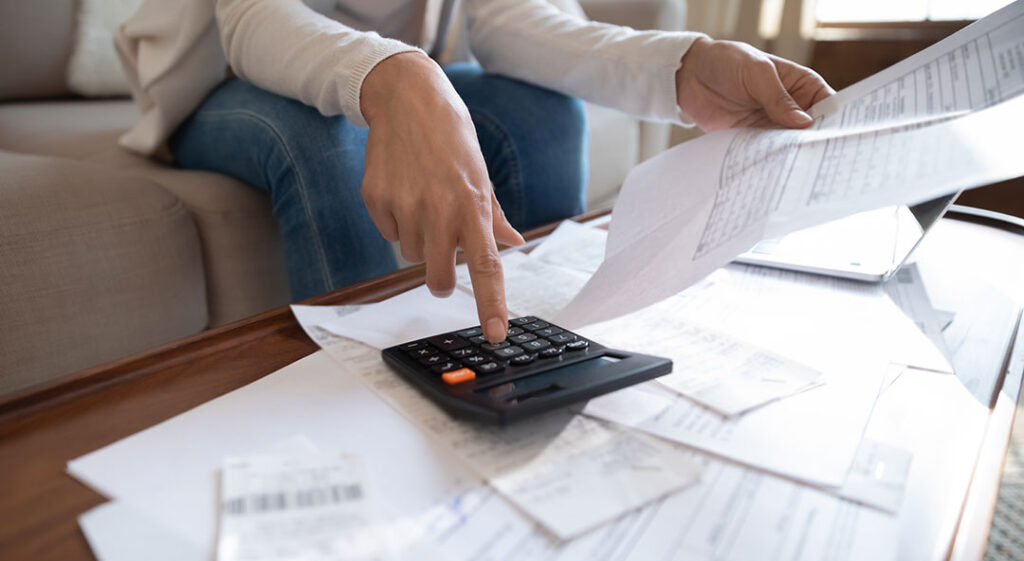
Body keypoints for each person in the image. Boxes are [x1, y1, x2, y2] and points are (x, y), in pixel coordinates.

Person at [115, 0, 834, 344]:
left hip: (378, 69)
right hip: (221, 79)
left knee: (540, 111)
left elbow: (513, 19)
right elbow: (252, 23)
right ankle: (366, 381)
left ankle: (544, 345)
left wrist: (684, 66)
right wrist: (396, 78)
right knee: (322, 133)